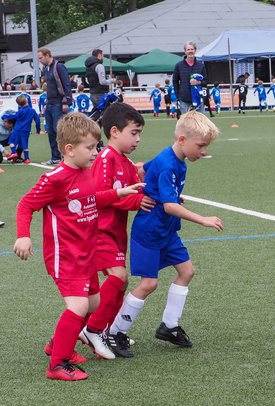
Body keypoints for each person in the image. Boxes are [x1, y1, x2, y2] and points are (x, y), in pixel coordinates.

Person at [13, 113, 142, 381]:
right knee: (79, 306)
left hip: (87, 253)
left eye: (97, 146)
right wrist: (23, 236)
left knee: (94, 303)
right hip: (65, 256)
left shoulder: (85, 172)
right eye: (90, 148)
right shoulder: (56, 178)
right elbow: (26, 205)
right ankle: (57, 365)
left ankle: (58, 345)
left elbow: (90, 199)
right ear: (70, 149)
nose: (96, 152)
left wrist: (117, 193)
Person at [107, 111, 223, 356]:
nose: (203, 151)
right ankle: (116, 332)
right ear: (182, 139)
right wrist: (202, 219)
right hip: (150, 232)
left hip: (168, 231)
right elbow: (169, 206)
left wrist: (159, 191)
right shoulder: (169, 163)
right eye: (200, 146)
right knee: (149, 284)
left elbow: (142, 171)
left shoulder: (174, 159)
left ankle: (169, 326)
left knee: (187, 271)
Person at [79, 103, 154, 359]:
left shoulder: (126, 162)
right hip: (100, 230)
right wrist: (136, 201)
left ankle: (105, 330)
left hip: (117, 232)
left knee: (120, 283)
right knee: (118, 277)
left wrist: (167, 197)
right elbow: (99, 196)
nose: (138, 139)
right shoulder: (106, 159)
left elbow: (139, 188)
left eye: (139, 133)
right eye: (134, 133)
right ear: (114, 131)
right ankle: (94, 330)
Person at [38, 47, 73, 165]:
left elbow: (66, 84)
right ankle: (55, 157)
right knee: (50, 131)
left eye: (41, 58)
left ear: (47, 55)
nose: (39, 60)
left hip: (59, 102)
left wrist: (66, 101)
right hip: (50, 102)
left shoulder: (59, 66)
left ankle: (65, 155)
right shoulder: (45, 68)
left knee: (58, 129)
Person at [3, 95, 41, 164]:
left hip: (17, 130)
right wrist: (38, 130)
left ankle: (14, 153)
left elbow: (14, 116)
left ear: (19, 105)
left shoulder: (20, 111)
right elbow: (37, 121)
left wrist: (4, 116)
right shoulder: (33, 111)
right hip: (26, 131)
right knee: (24, 145)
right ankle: (27, 159)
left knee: (11, 142)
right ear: (27, 101)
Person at [173, 41, 207, 114]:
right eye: (188, 49)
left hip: (198, 100)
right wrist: (178, 97)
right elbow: (175, 82)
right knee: (186, 121)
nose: (190, 51)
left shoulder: (201, 65)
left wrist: (198, 82)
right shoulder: (179, 66)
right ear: (185, 52)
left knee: (200, 121)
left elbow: (206, 82)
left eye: (192, 49)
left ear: (195, 51)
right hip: (184, 101)